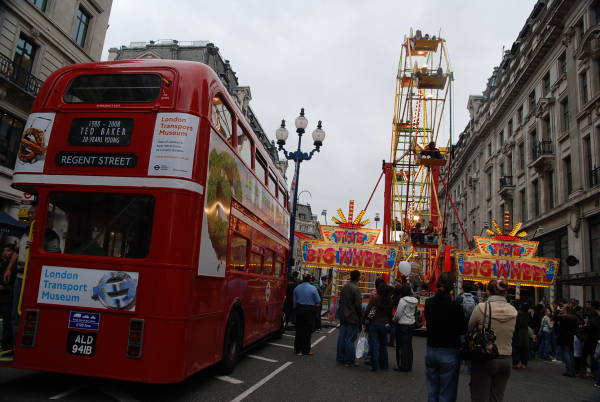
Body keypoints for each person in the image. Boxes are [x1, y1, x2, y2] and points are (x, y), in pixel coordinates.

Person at [468, 279, 518, 402]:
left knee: (480, 397)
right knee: (497, 397)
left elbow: (469, 328)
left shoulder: (481, 308)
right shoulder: (513, 310)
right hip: (506, 358)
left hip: (485, 357)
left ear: (488, 292)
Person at [425, 272, 466, 402]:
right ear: (452, 288)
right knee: (447, 391)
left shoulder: (429, 303)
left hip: (431, 348)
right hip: (449, 350)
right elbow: (462, 329)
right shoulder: (456, 307)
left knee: (432, 389)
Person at [364, 283, 393, 372]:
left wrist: (366, 319)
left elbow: (369, 311)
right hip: (384, 324)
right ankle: (384, 365)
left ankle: (375, 365)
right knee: (383, 345)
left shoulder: (375, 299)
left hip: (374, 323)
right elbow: (390, 314)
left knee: (374, 344)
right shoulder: (389, 300)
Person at [336, 269, 362, 367]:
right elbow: (358, 305)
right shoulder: (356, 289)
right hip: (352, 316)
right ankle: (349, 359)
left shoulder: (344, 287)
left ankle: (340, 357)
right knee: (350, 339)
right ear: (358, 277)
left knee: (342, 337)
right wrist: (361, 317)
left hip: (343, 315)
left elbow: (341, 302)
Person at [292, 274, 320, 356]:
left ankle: (297, 349)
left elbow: (294, 302)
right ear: (309, 279)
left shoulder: (297, 288)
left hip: (299, 309)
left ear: (302, 279)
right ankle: (306, 350)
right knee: (307, 331)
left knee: (299, 329)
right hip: (309, 311)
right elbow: (318, 301)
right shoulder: (313, 288)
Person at [393, 283, 418, 372]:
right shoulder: (415, 301)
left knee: (401, 345)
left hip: (402, 324)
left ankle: (403, 365)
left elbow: (398, 314)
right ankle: (409, 365)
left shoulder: (402, 300)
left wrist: (395, 319)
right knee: (409, 345)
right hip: (411, 324)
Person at [0, 244, 17, 354]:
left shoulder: (14, 268)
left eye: (8, 251)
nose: (5, 253)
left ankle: (7, 346)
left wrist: (3, 287)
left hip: (8, 298)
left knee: (7, 322)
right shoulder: (3, 264)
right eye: (4, 250)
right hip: (2, 297)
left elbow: (14, 287)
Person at [556, 306, 579, 377]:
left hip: (564, 337)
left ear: (566, 310)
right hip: (571, 337)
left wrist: (559, 312)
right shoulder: (574, 318)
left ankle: (569, 371)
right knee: (571, 353)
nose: (561, 309)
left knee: (566, 353)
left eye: (563, 308)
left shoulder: (563, 318)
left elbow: (555, 319)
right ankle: (572, 371)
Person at [513, 303, 532, 369]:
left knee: (517, 349)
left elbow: (516, 325)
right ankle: (524, 364)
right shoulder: (528, 315)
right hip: (525, 333)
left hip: (519, 333)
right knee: (525, 349)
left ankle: (516, 363)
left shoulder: (518, 315)